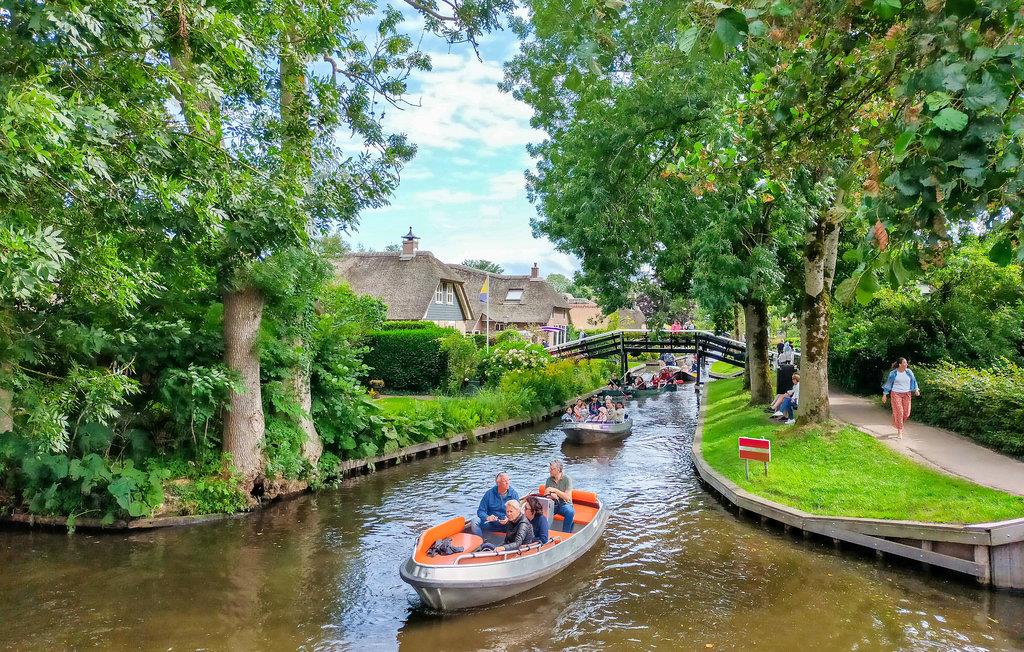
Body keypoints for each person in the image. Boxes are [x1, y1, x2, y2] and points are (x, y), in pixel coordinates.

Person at [472, 472, 520, 537]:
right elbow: (480, 511)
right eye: (504, 481)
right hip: (491, 524)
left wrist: (508, 519)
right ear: (498, 483)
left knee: (520, 523)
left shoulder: (514, 494)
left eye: (508, 480)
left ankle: (514, 540)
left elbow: (518, 512)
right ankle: (481, 541)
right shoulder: (489, 494)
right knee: (474, 522)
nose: (507, 482)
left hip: (508, 525)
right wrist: (487, 517)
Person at [882, 357, 921, 439]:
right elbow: (888, 384)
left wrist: (916, 389)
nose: (906, 364)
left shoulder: (909, 372)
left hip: (907, 394)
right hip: (896, 394)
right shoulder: (893, 373)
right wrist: (885, 394)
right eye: (904, 362)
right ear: (900, 364)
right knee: (900, 412)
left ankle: (896, 419)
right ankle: (900, 431)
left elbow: (914, 381)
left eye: (906, 362)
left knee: (906, 413)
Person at [544, 460, 575, 533]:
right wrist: (551, 495)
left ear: (558, 470)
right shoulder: (549, 480)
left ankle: (566, 533)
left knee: (570, 512)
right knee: (541, 511)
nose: (550, 471)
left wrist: (555, 490)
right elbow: (546, 495)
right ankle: (544, 532)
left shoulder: (567, 479)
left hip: (564, 504)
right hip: (553, 504)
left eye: (552, 469)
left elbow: (567, 497)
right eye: (549, 468)